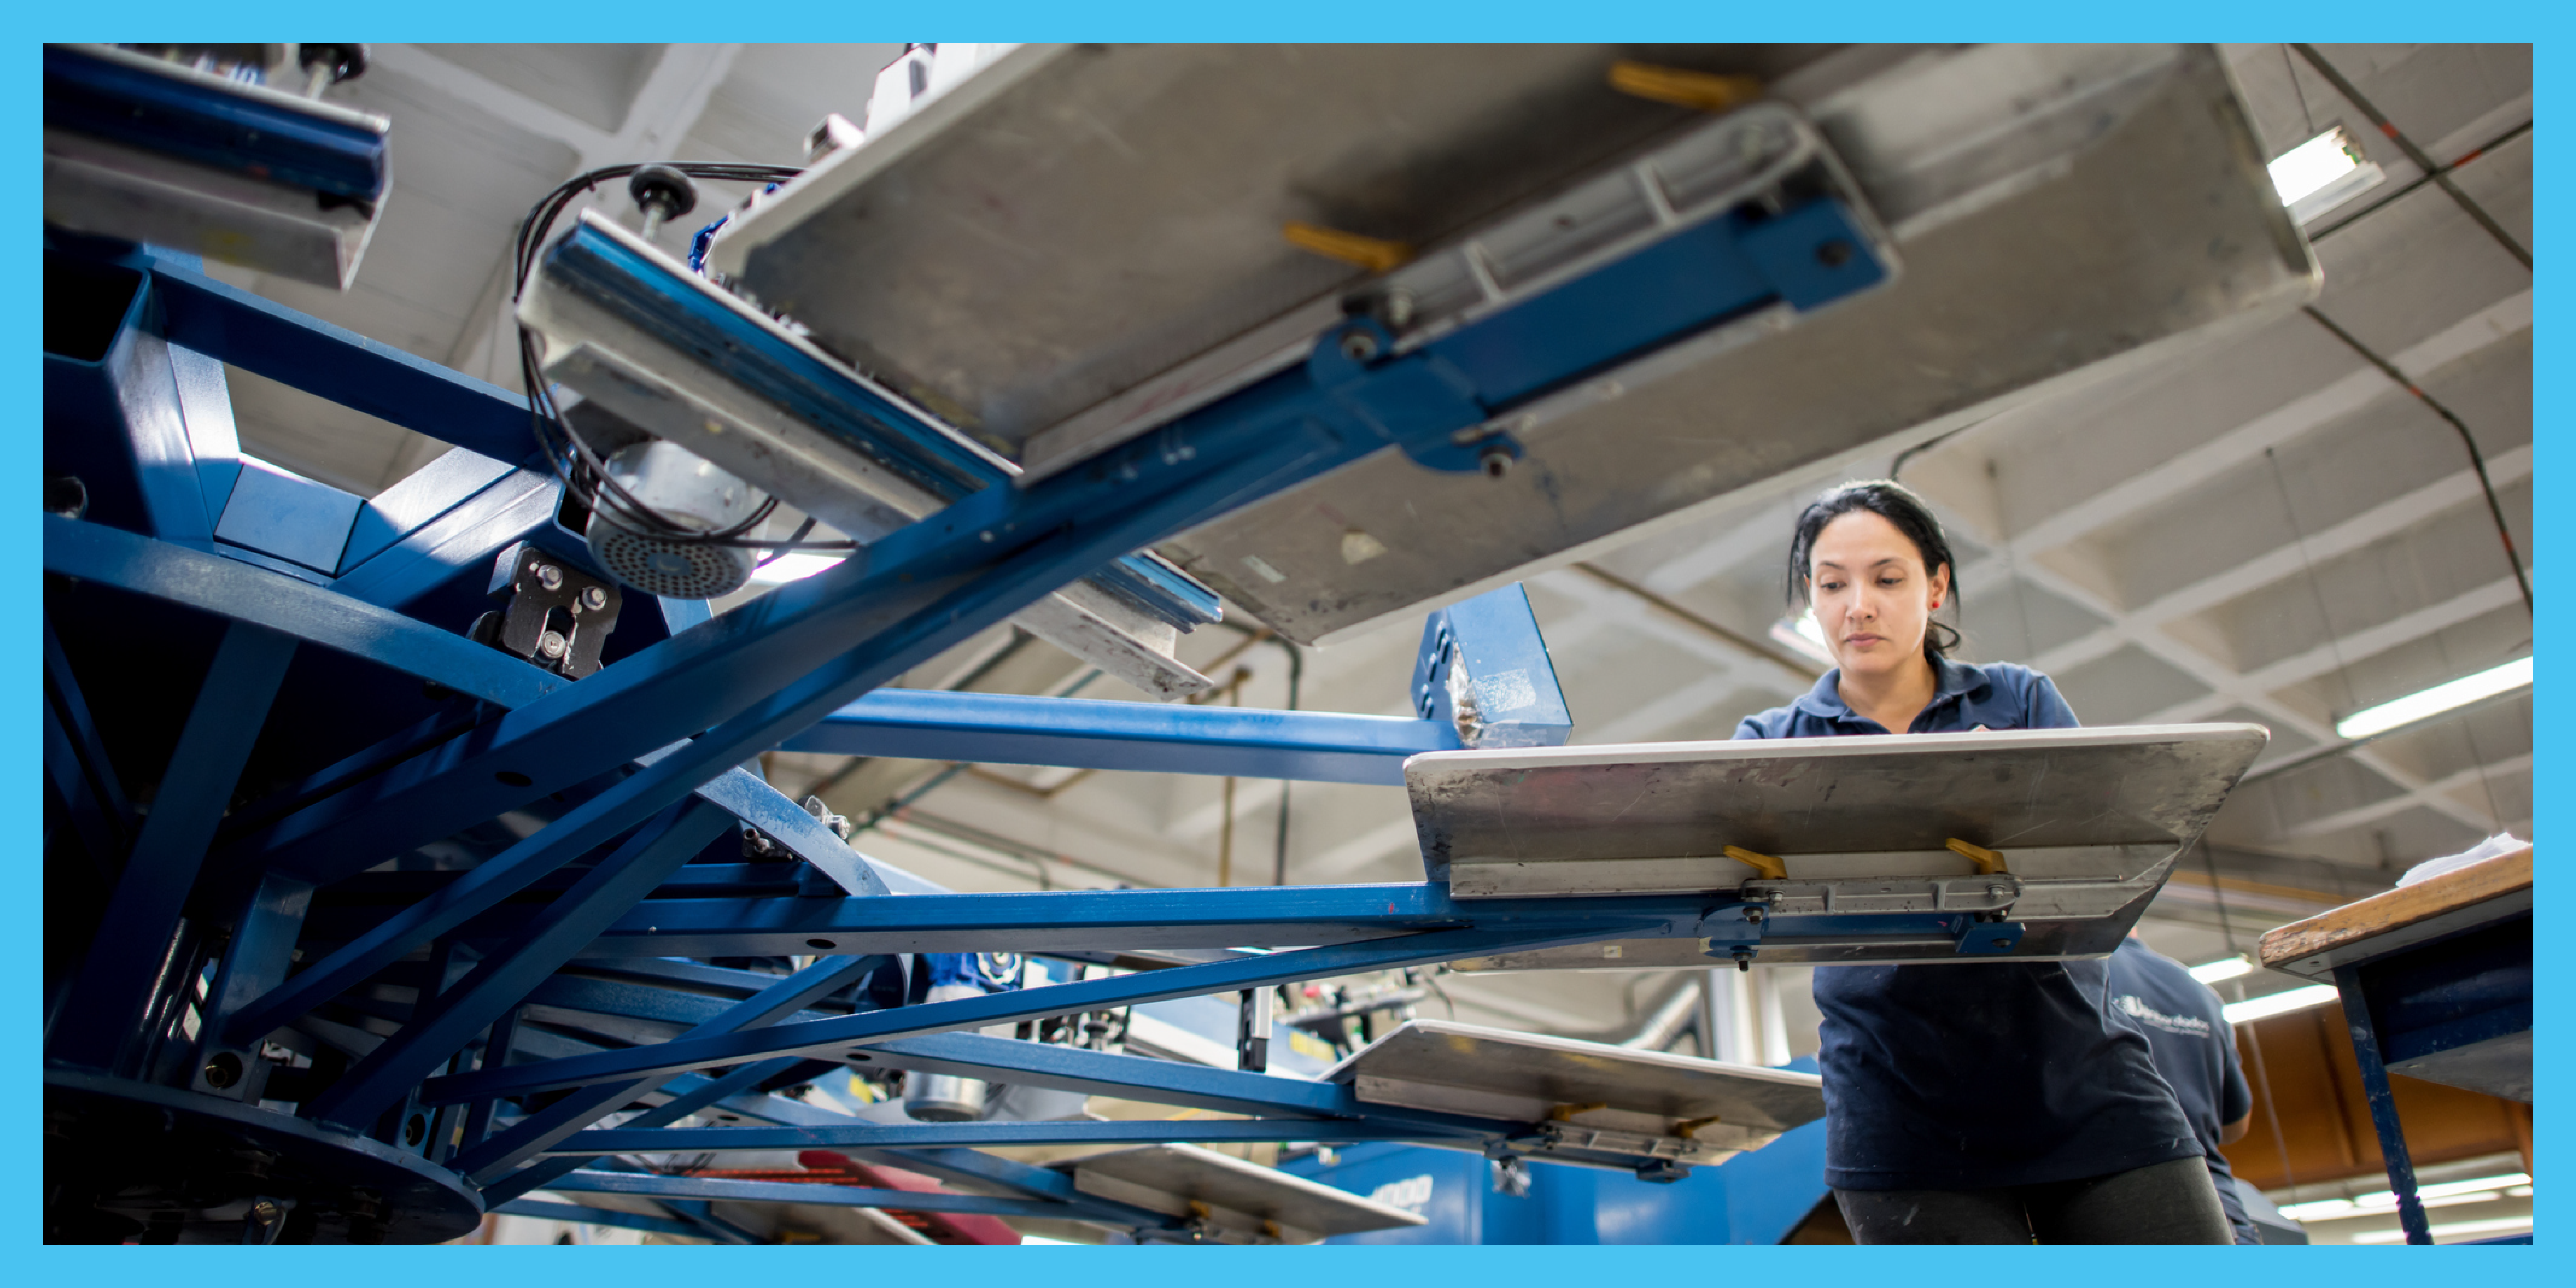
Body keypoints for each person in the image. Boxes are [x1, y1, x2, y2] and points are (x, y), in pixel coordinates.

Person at [1733, 480, 2230, 1245]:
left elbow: (2087, 875)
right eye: (1832, 584)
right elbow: (1748, 909)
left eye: (1887, 579)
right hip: (1901, 1117)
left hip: (2082, 1083)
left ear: (1936, 586)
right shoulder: (1773, 746)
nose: (1857, 605)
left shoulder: (2020, 702)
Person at [2108, 933, 2261, 1244]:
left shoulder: (2072, 971)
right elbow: (2235, 1125)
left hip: (2130, 1209)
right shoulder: (2198, 990)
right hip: (2219, 1211)